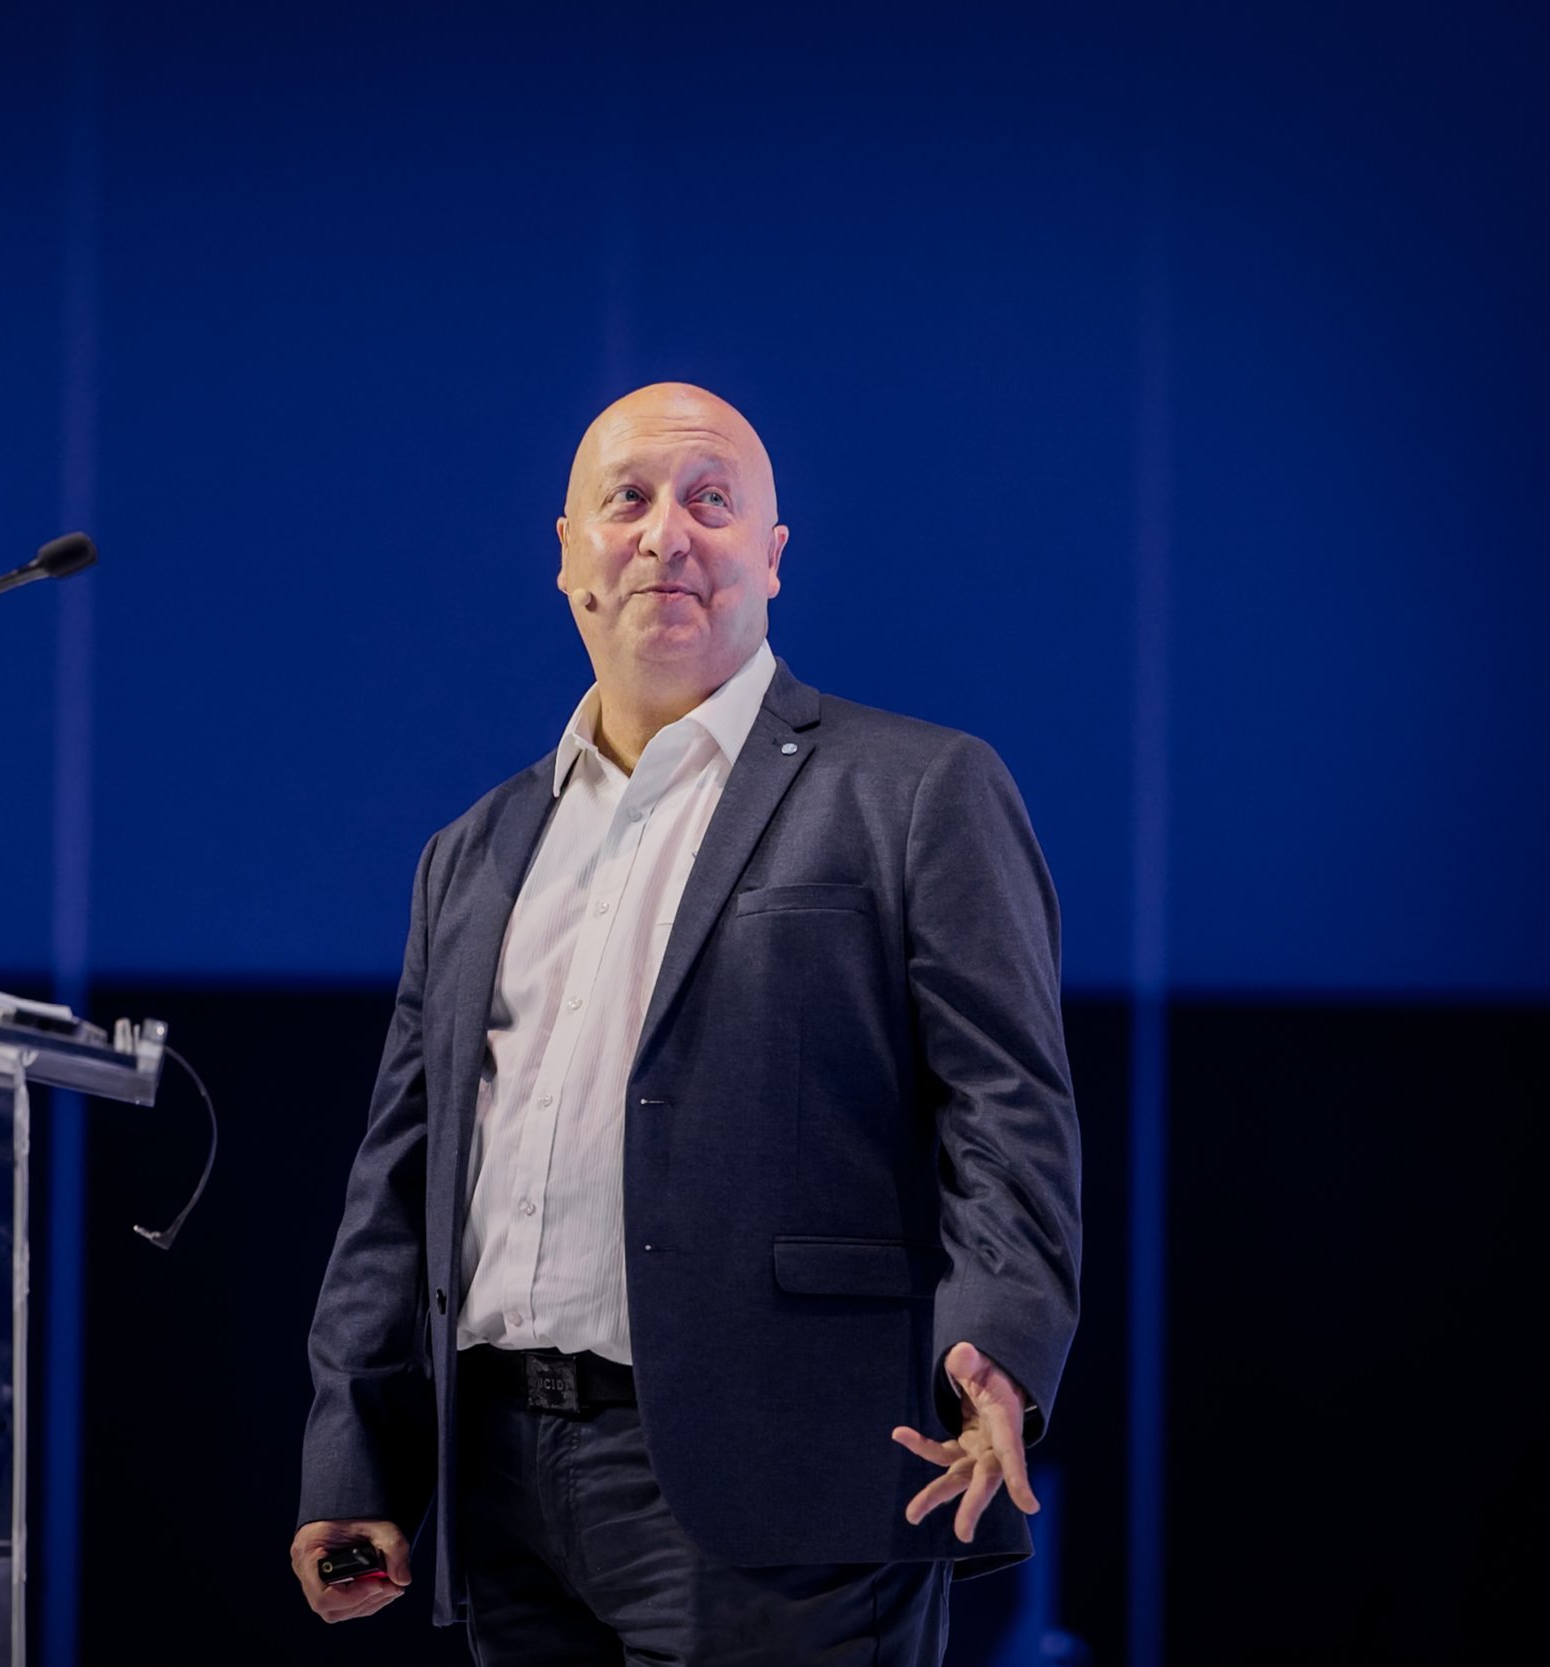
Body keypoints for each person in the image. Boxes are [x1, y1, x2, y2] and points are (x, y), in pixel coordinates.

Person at [290, 383, 1081, 1663]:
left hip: (787, 1478)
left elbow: (1009, 1111)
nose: (667, 532)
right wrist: (355, 1452)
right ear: (567, 556)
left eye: (711, 501)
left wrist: (997, 1336)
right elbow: (402, 1180)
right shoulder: (472, 850)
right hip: (504, 1486)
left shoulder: (916, 788)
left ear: (770, 557)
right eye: (630, 499)